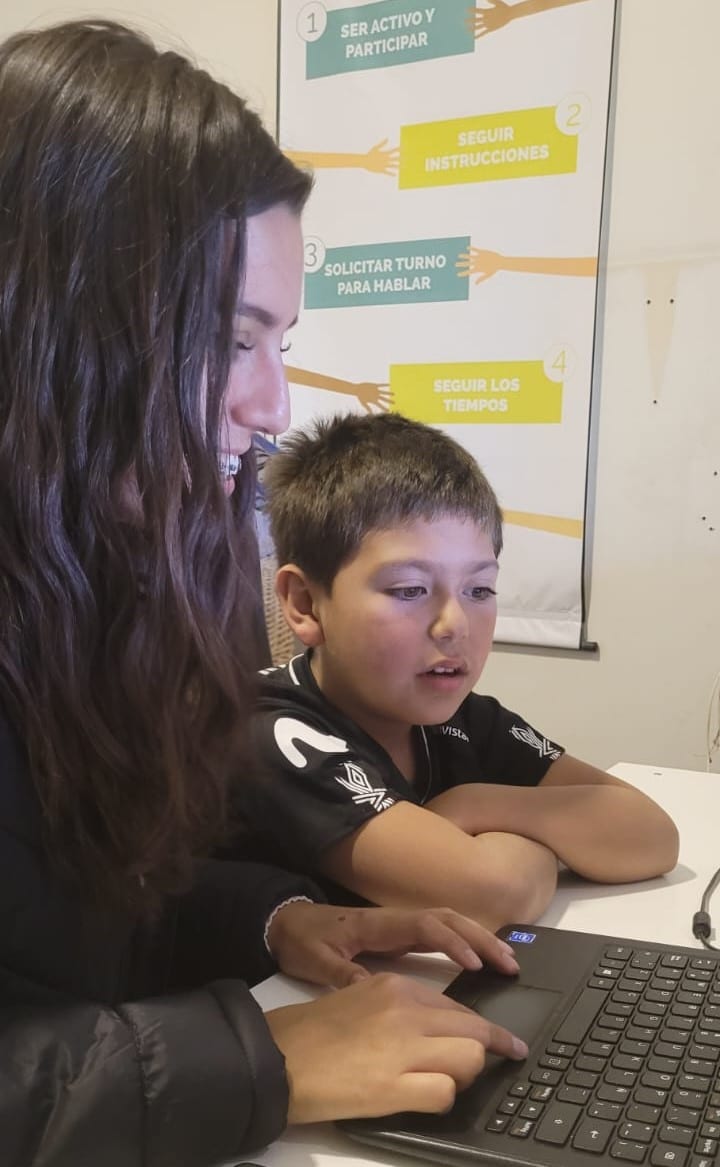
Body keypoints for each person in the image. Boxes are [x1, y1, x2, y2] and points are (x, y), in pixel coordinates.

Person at [0, 20, 529, 1167]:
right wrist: (266, 1060)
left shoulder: (100, 586)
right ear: (48, 322)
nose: (271, 405)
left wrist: (274, 917)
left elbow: (74, 939)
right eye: (228, 339)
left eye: (280, 341)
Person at [240, 412, 680, 926]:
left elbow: (653, 835)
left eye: (480, 590)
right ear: (306, 604)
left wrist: (473, 804)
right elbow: (495, 893)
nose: (455, 625)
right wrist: (551, 839)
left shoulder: (463, 719)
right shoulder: (272, 729)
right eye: (409, 590)